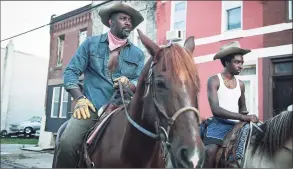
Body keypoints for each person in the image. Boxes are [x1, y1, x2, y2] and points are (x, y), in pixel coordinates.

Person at [54, 2, 145, 168]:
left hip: (123, 109)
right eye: (123, 18)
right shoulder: (90, 44)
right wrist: (79, 98)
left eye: (130, 20)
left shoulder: (138, 54)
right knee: (67, 143)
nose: (128, 23)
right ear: (111, 21)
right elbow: (70, 72)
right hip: (91, 107)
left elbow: (140, 80)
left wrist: (129, 83)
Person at [201, 41, 259, 168]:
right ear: (227, 62)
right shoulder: (214, 80)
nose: (241, 66)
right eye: (237, 62)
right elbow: (216, 110)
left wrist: (246, 119)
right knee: (210, 151)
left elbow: (243, 109)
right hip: (219, 124)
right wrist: (244, 117)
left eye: (241, 63)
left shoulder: (241, 84)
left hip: (237, 125)